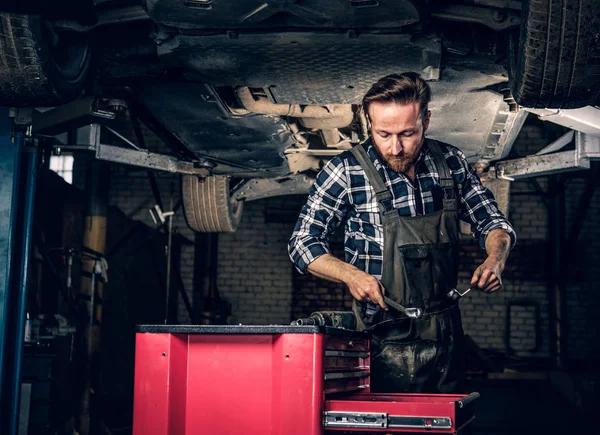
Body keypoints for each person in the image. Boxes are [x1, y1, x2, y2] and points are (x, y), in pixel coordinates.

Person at [288, 72, 516, 394]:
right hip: (382, 336)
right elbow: (302, 243)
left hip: (446, 334)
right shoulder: (346, 171)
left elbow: (493, 222)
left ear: (426, 119)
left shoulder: (450, 162)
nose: (395, 147)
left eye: (408, 133)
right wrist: (351, 275)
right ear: (368, 123)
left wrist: (495, 258)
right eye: (383, 134)